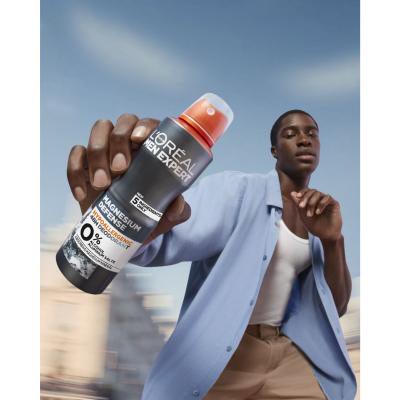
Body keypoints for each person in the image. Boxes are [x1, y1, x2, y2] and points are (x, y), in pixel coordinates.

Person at [67, 110, 357, 400]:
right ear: (274, 150)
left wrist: (333, 240)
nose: (304, 140)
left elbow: (336, 306)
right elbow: (161, 241)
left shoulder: (318, 214)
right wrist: (121, 214)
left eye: (312, 133)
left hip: (288, 353)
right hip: (225, 354)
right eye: (291, 134)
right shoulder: (236, 192)